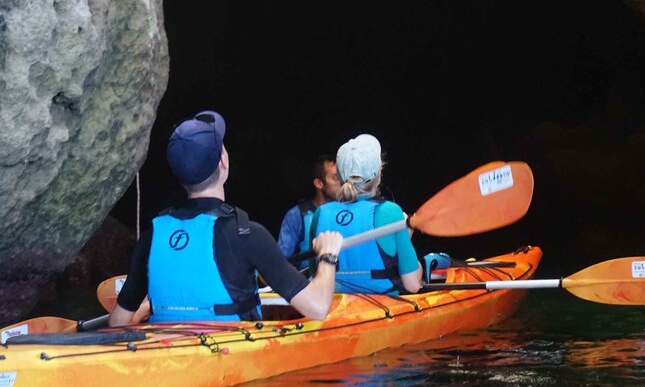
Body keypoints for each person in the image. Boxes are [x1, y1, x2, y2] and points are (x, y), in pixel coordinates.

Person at [108, 110, 343, 326]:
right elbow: (318, 307)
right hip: (230, 363)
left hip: (167, 357)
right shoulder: (248, 234)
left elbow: (117, 323)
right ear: (223, 161)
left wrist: (148, 307)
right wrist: (328, 255)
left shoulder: (153, 235)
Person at [308, 134, 425, 294]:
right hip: (382, 312)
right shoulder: (390, 212)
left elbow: (316, 277)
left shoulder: (320, 214)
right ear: (378, 174)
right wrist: (405, 237)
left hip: (333, 311)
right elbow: (413, 284)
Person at [278, 154, 341, 268]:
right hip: (310, 282)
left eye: (342, 177)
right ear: (318, 183)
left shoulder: (347, 214)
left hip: (346, 283)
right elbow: (281, 263)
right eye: (336, 178)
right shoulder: (297, 215)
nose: (341, 183)